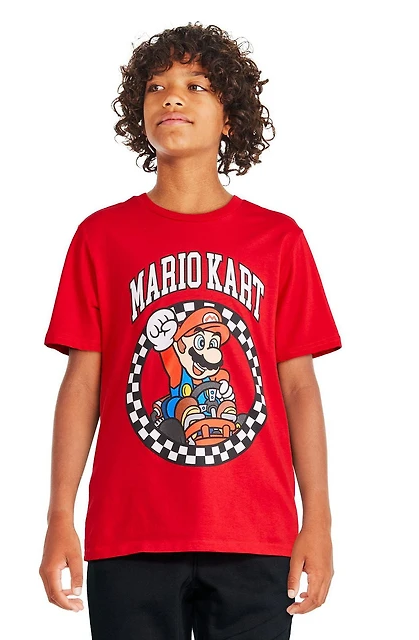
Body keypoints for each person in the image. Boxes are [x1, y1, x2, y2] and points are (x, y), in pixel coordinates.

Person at [39, 22, 342, 640]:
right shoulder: (101, 237)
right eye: (156, 86)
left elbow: (299, 389)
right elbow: (83, 384)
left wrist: (319, 521)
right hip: (130, 532)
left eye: (196, 85)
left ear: (230, 118)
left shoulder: (278, 240)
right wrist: (59, 515)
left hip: (256, 532)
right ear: (139, 111)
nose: (172, 96)